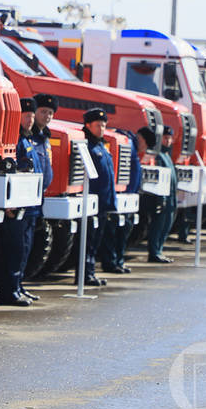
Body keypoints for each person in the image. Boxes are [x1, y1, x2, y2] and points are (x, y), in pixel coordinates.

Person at [0, 98, 41, 306]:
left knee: (24, 248)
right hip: (18, 205)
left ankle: (18, 285)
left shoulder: (28, 140)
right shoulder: (15, 141)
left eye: (32, 116)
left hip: (30, 205)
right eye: (26, 116)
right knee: (14, 249)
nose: (30, 120)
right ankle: (9, 290)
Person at [24, 93, 58, 300]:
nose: (47, 116)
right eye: (43, 111)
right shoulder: (29, 137)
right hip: (28, 197)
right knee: (22, 244)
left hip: (39, 196)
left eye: (50, 113)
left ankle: (19, 285)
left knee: (30, 243)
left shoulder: (45, 137)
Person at [78, 108, 115, 287]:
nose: (101, 129)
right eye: (97, 125)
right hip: (93, 201)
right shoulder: (88, 147)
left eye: (103, 125)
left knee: (96, 240)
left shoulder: (101, 146)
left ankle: (90, 272)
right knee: (89, 240)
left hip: (103, 201)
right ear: (88, 125)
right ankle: (85, 273)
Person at [100, 128, 144, 274]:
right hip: (120, 196)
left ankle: (118, 261)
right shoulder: (127, 144)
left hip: (127, 198)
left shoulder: (130, 146)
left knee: (122, 232)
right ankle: (111, 262)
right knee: (113, 233)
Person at [147, 125, 179, 262]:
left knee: (166, 225)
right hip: (164, 197)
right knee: (158, 226)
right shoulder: (159, 156)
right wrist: (162, 198)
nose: (168, 141)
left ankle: (159, 250)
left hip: (171, 197)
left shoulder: (167, 155)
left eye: (170, 138)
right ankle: (154, 252)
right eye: (166, 138)